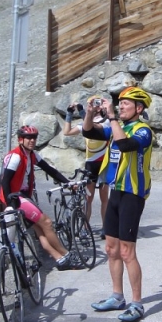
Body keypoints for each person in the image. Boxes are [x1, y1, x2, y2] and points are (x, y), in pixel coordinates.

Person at [82, 87, 153, 322]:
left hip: (132, 194)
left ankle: (137, 303)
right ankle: (116, 296)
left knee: (127, 252)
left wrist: (112, 117)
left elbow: (125, 146)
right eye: (119, 103)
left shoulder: (143, 130)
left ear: (139, 108)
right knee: (111, 249)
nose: (121, 106)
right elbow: (88, 132)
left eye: (126, 104)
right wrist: (90, 113)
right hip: (115, 191)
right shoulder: (116, 128)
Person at [0, 125, 84, 271]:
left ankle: (60, 260)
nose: (32, 141)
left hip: (23, 196)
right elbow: (5, 181)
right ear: (20, 139)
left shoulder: (31, 154)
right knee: (47, 223)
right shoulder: (16, 156)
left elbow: (49, 169)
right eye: (28, 138)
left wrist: (68, 183)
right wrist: (10, 204)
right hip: (15, 198)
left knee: (39, 229)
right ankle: (66, 254)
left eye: (34, 138)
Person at [62, 96, 110, 239]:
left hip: (104, 164)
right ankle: (84, 227)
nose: (97, 107)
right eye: (95, 104)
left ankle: (105, 227)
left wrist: (84, 112)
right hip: (91, 164)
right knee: (88, 199)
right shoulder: (86, 123)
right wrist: (69, 114)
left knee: (104, 199)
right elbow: (67, 132)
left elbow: (92, 128)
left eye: (100, 105)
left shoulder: (106, 122)